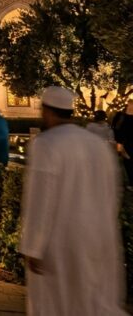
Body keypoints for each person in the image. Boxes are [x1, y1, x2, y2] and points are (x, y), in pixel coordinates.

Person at [19, 86, 125, 315]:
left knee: (55, 302)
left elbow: (40, 198)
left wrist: (32, 245)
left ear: (47, 111)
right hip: (98, 237)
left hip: (60, 242)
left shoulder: (46, 144)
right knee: (91, 300)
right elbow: (113, 193)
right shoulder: (97, 145)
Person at [113, 101, 133, 187]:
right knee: (127, 162)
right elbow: (116, 129)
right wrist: (119, 144)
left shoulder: (121, 116)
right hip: (125, 143)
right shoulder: (121, 116)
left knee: (128, 162)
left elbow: (115, 128)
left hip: (127, 142)